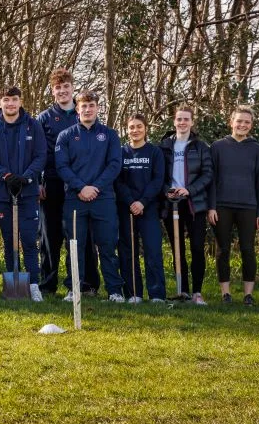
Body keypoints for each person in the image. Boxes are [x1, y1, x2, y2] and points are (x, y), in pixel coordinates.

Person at [55, 90, 124, 302]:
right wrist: (81, 187)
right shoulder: (65, 136)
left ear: (97, 108)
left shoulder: (110, 135)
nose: (87, 109)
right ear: (77, 109)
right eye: (83, 106)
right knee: (74, 245)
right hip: (75, 198)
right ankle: (74, 288)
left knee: (107, 245)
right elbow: (62, 166)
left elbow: (114, 165)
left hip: (103, 198)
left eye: (91, 105)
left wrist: (95, 187)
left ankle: (114, 291)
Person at [37, 68, 100, 297]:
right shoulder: (44, 118)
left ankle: (87, 284)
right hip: (52, 184)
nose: (62, 91)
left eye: (66, 87)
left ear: (72, 88)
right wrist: (38, 181)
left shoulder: (83, 112)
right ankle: (48, 285)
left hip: (81, 186)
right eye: (57, 88)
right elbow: (38, 153)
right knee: (50, 237)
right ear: (52, 91)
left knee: (83, 236)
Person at [0, 86, 46, 301]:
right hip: (2, 192)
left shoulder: (32, 126)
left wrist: (27, 177)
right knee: (9, 241)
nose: (10, 104)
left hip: (27, 193)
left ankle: (34, 285)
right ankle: (13, 288)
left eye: (14, 100)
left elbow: (40, 155)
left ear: (20, 101)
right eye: (6, 100)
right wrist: (6, 176)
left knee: (28, 239)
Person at [208, 105, 259, 306]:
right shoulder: (217, 147)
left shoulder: (258, 150)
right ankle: (225, 293)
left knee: (248, 250)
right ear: (231, 122)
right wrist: (211, 207)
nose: (242, 125)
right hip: (222, 206)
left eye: (247, 122)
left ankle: (248, 294)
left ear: (251, 125)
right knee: (222, 250)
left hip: (249, 207)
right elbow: (211, 179)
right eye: (239, 121)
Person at [159, 105, 213, 305]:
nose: (182, 122)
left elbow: (208, 174)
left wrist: (189, 189)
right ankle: (183, 291)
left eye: (186, 119)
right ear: (174, 121)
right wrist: (167, 190)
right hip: (171, 203)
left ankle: (197, 293)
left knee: (197, 247)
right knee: (177, 249)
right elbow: (159, 174)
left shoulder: (201, 147)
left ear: (192, 122)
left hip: (194, 203)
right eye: (179, 119)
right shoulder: (164, 146)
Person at [115, 114, 166, 304]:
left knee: (153, 251)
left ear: (145, 129)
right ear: (127, 130)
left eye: (139, 126)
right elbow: (118, 181)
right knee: (128, 251)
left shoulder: (155, 152)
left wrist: (142, 202)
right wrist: (130, 202)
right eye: (131, 127)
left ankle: (157, 294)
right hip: (126, 208)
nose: (135, 130)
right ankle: (133, 293)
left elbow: (157, 180)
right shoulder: (121, 153)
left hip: (149, 208)